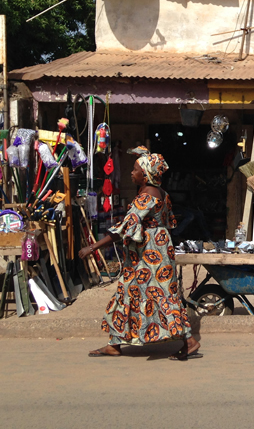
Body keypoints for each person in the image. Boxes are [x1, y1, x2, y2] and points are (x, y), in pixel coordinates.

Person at [79, 146, 201, 360]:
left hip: (150, 254)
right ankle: (114, 344)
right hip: (154, 249)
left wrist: (92, 247)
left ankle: (189, 341)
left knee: (161, 296)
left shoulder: (147, 196)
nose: (131, 173)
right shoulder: (160, 193)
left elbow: (125, 228)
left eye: (135, 169)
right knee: (128, 291)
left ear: (146, 175)